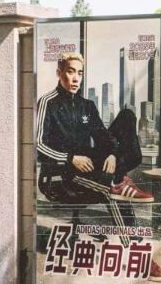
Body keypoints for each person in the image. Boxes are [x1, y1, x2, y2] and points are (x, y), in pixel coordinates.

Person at [37, 51, 153, 204]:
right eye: (71, 72)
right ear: (59, 73)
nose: (76, 78)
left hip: (89, 162)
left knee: (127, 116)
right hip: (63, 171)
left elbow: (102, 135)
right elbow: (38, 146)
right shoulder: (47, 102)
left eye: (80, 73)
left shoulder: (87, 105)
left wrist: (112, 154)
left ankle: (117, 180)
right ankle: (117, 182)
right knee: (113, 190)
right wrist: (71, 159)